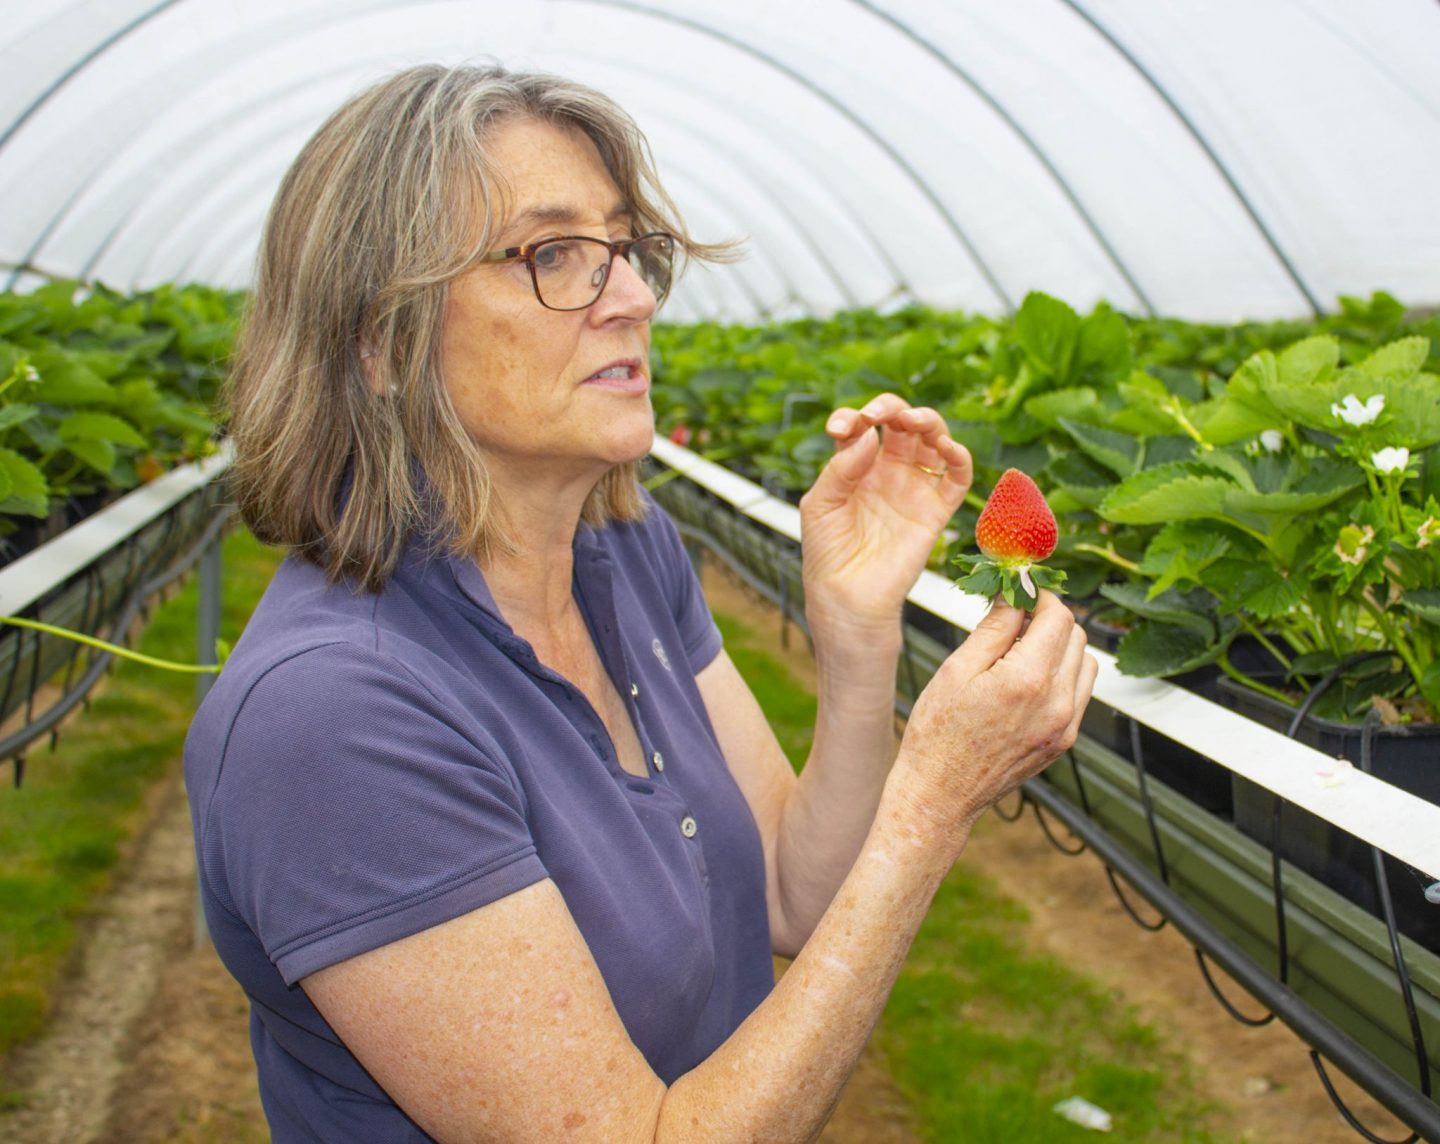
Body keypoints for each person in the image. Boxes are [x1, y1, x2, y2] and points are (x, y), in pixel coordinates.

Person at [185, 62, 1097, 1143]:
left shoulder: (627, 555)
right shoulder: (337, 717)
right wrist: (933, 799)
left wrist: (855, 638)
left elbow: (792, 898)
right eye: (553, 254)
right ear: (377, 342)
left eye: (625, 249)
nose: (633, 297)